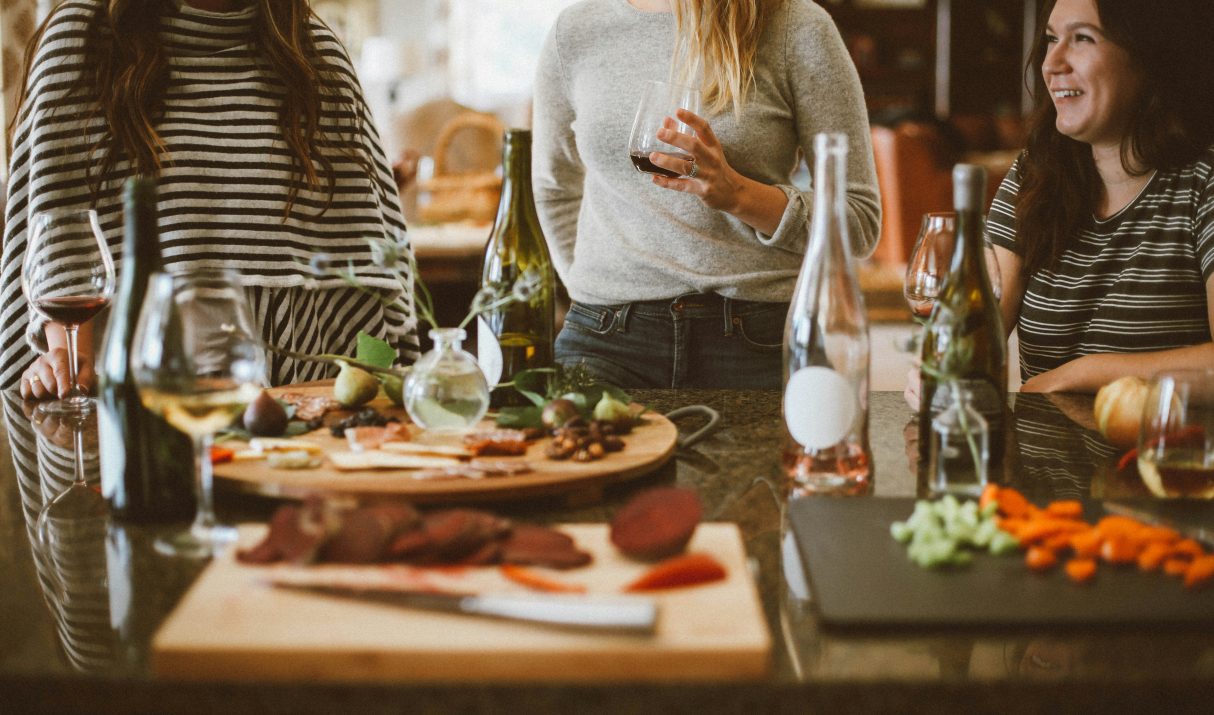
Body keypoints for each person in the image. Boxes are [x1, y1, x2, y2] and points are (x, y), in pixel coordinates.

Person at [1, 0, 418, 399]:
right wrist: (68, 363)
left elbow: (369, 264)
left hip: (298, 388)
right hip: (138, 391)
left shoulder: (315, 54)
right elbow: (61, 238)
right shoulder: (82, 38)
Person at [532, 0, 880, 389]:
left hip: (758, 340)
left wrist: (738, 196)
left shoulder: (795, 26)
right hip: (604, 341)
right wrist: (588, 288)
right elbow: (553, 190)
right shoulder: (575, 30)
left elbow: (859, 220)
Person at [985, 0, 1214, 392]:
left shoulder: (1202, 181)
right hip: (1047, 454)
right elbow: (978, 331)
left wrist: (1080, 374)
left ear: (1148, 57)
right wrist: (943, 363)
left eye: (1082, 39)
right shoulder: (1033, 172)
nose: (1051, 63)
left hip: (1162, 453)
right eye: (1051, 39)